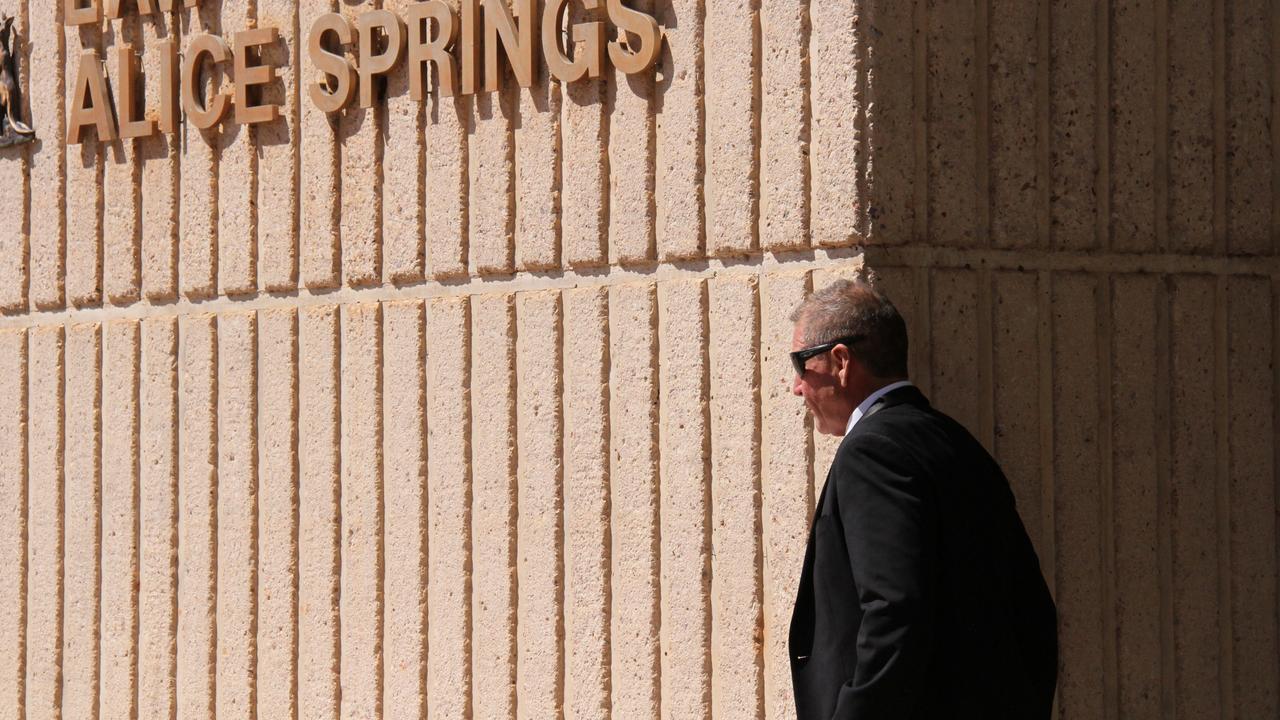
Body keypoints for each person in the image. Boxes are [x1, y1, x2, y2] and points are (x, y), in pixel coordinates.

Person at [787, 277, 1058, 719]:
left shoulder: (871, 452)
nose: (797, 387)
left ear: (840, 361)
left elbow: (894, 612)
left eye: (801, 364)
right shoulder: (954, 441)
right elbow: (1032, 610)